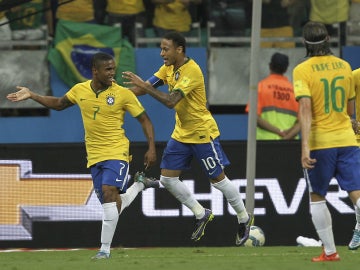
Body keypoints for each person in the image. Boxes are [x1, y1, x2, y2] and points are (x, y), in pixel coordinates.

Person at [6, 52, 159, 260]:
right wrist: (33, 95)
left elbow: (145, 120)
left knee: (108, 192)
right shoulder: (80, 90)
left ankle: (104, 250)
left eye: (113, 68)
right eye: (108, 69)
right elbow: (59, 104)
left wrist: (151, 148)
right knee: (112, 204)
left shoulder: (123, 94)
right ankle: (139, 185)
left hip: (117, 151)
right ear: (95, 71)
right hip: (94, 156)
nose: (112, 73)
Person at [122, 31, 253, 245]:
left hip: (202, 133)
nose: (162, 53)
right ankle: (201, 213)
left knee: (218, 180)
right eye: (161, 48)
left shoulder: (192, 71)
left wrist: (144, 86)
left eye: (166, 49)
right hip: (182, 133)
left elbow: (170, 101)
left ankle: (244, 218)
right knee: (167, 179)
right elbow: (141, 88)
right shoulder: (168, 68)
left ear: (179, 49)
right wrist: (114, 91)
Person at [293, 21, 360, 262]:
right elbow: (350, 108)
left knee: (317, 196)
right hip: (347, 139)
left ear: (304, 42)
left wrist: (305, 147)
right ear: (328, 39)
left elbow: (306, 110)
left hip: (321, 143)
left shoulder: (302, 70)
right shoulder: (344, 66)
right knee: (356, 192)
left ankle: (330, 252)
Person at [245, 52, 300, 140]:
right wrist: (286, 136)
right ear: (286, 69)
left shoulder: (261, 87)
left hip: (265, 143)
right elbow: (302, 121)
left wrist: (278, 131)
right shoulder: (295, 90)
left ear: (270, 66)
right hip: (290, 144)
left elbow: (253, 117)